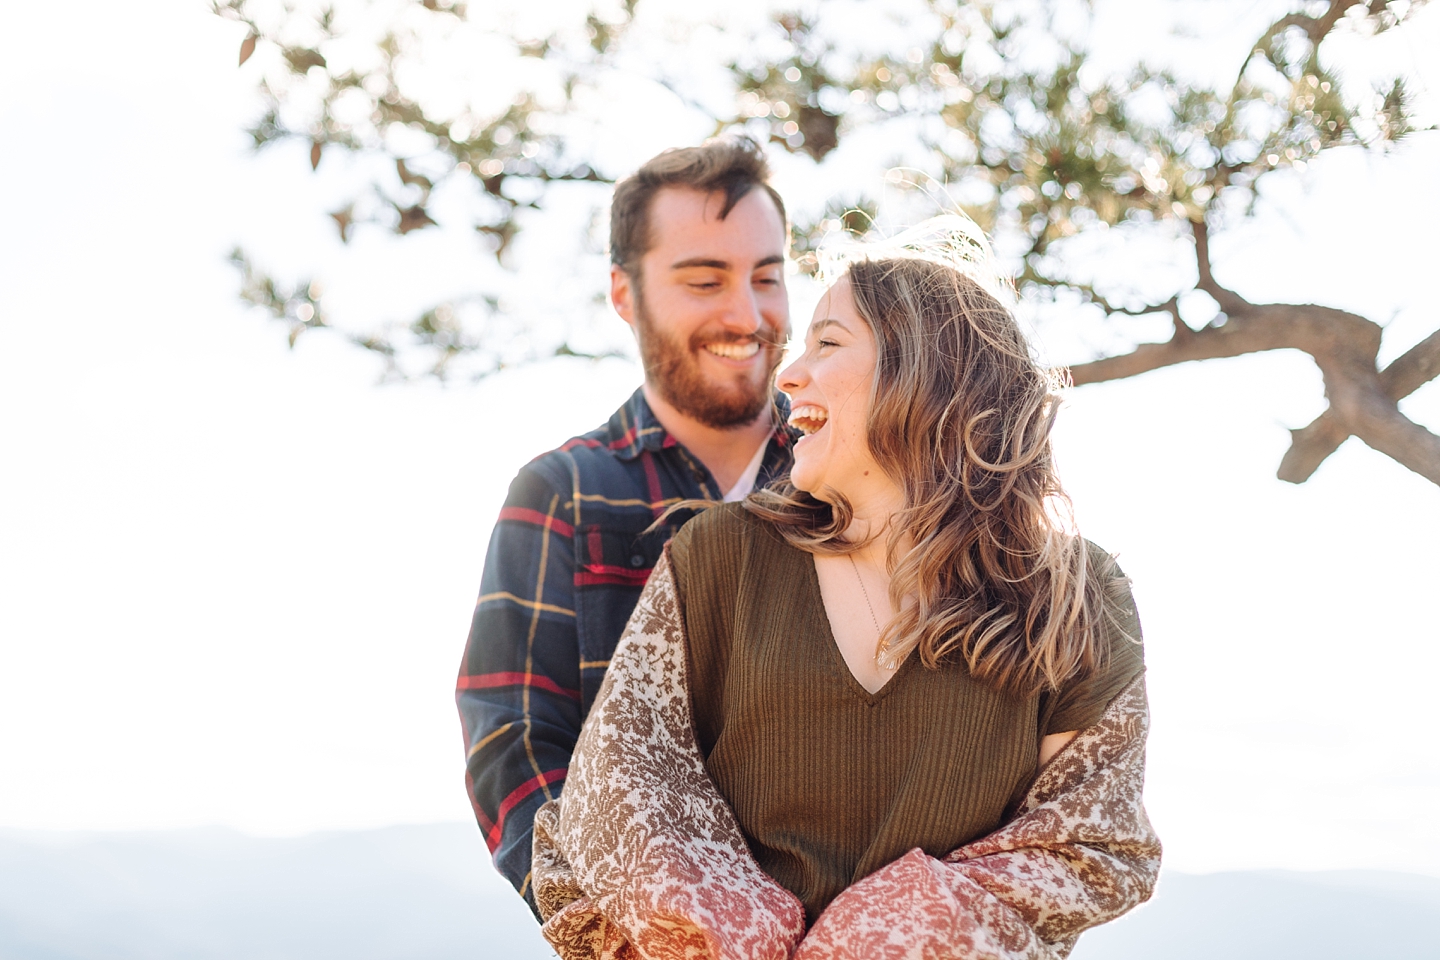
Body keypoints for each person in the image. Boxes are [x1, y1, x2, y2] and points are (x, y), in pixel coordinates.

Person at [532, 220, 1161, 959]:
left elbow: (1087, 839)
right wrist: (729, 931)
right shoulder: (720, 556)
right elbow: (623, 787)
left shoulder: (1075, 595)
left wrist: (893, 928)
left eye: (826, 344)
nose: (787, 376)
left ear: (932, 370)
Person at [455, 137, 797, 918]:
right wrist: (615, 926)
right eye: (705, 279)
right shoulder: (563, 495)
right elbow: (512, 746)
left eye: (768, 277)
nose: (746, 314)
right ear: (624, 293)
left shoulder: (864, 481)